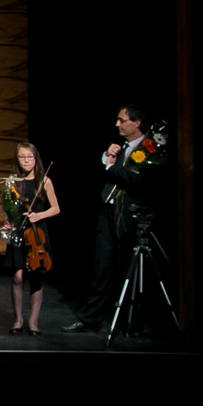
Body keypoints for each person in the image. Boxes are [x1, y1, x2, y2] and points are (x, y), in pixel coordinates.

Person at [64, 105, 164, 333]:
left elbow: (136, 181)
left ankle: (132, 321)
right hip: (108, 212)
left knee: (131, 269)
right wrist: (108, 158)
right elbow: (103, 177)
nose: (117, 124)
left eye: (122, 120)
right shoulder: (120, 148)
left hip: (130, 215)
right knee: (102, 266)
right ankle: (89, 318)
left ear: (137, 123)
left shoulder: (150, 149)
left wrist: (110, 167)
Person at [6, 142, 60, 335]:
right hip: (19, 232)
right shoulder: (13, 181)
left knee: (36, 277)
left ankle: (33, 321)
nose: (26, 160)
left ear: (35, 159)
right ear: (17, 159)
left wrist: (39, 215)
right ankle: (18, 319)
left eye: (30, 157)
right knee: (18, 277)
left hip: (37, 233)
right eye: (22, 157)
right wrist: (8, 221)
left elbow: (56, 208)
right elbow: (9, 208)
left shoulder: (44, 181)